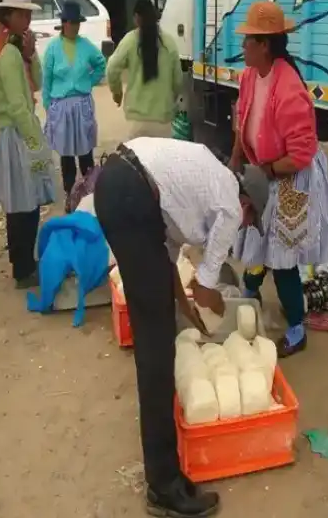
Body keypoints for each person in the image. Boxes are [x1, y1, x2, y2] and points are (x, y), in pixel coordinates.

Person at [93, 136, 270, 518]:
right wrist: (212, 304)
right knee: (157, 350)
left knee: (155, 329)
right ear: (247, 204)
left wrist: (186, 307)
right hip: (131, 197)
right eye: (250, 219)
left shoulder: (202, 184)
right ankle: (164, 487)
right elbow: (207, 291)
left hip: (118, 186)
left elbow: (167, 260)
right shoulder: (228, 202)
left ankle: (164, 474)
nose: (244, 226)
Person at [228, 0, 328, 358]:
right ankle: (250, 293)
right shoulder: (249, 77)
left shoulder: (290, 89)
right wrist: (234, 163)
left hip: (293, 175)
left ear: (264, 46)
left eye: (248, 41)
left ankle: (296, 327)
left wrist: (267, 171)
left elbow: (302, 154)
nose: (242, 45)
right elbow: (241, 124)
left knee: (283, 257)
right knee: (255, 235)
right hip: (265, 171)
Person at [0, 0, 57, 289]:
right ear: (8, 16)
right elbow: (18, 108)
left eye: (28, 15)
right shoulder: (7, 55)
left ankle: (23, 262)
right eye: (21, 14)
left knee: (25, 202)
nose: (27, 20)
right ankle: (23, 269)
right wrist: (36, 144)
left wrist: (32, 55)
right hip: (17, 135)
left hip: (21, 132)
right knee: (23, 205)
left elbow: (38, 83)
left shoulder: (18, 50)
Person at [41, 0, 107, 195]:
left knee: (85, 153)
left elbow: (101, 64)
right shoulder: (53, 48)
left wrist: (89, 81)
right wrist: (48, 105)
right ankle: (70, 193)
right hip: (60, 105)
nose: (75, 27)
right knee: (66, 154)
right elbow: (47, 79)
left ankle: (89, 193)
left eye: (78, 23)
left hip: (82, 104)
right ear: (64, 23)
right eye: (72, 22)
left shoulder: (86, 45)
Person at [106, 0, 182, 126]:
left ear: (136, 17)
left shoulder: (130, 41)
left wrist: (117, 93)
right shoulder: (169, 43)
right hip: (163, 120)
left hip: (137, 121)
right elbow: (178, 81)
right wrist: (170, 100)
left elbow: (112, 68)